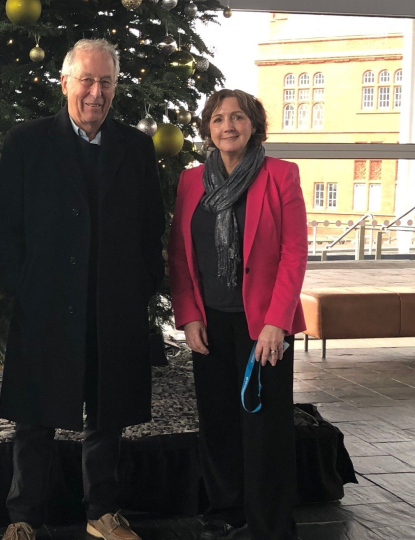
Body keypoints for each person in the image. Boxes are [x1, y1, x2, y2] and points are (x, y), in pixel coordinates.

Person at [0, 39, 165, 540]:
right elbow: (4, 227)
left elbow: (151, 228)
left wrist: (140, 287)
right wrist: (22, 285)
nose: (96, 92)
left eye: (106, 82)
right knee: (34, 416)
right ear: (64, 82)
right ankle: (23, 518)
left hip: (112, 304)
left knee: (107, 414)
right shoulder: (26, 142)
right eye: (86, 80)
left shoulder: (136, 147)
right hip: (45, 303)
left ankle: (102, 513)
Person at [168, 89, 308, 540]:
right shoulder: (191, 181)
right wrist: (188, 315)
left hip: (263, 325)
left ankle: (270, 523)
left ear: (253, 125)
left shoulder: (280, 175)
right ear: (207, 129)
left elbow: (293, 253)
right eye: (218, 119)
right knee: (218, 421)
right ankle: (225, 511)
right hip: (209, 321)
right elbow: (179, 255)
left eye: (237, 117)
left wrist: (277, 322)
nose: (227, 126)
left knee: (265, 426)